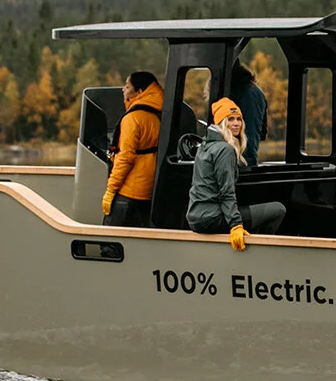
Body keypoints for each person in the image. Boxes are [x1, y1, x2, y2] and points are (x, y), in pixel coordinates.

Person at [187, 98, 285, 250]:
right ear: (221, 123)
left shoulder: (205, 145)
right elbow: (226, 192)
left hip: (196, 215)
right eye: (230, 119)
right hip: (210, 217)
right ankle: (259, 252)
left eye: (239, 119)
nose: (236, 123)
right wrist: (236, 225)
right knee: (278, 210)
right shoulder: (225, 150)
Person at [102, 71, 163, 227]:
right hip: (148, 190)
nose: (123, 90)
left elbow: (125, 157)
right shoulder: (156, 117)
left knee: (111, 242)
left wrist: (111, 189)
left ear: (139, 92)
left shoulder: (132, 118)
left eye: (127, 86)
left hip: (128, 192)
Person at [227, 60, 267, 167]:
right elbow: (262, 133)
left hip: (237, 161)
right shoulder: (258, 92)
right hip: (249, 160)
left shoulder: (231, 92)